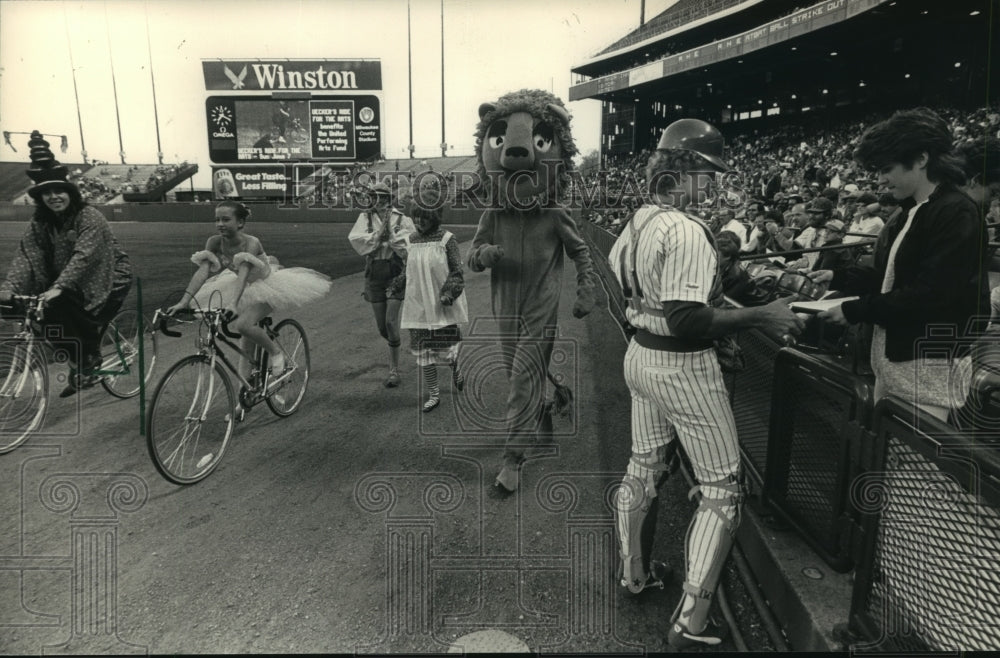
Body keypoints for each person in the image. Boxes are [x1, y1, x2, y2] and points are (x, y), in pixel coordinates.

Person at [608, 118, 804, 650]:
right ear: (685, 169)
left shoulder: (638, 220)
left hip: (640, 356)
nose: (712, 185)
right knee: (721, 488)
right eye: (707, 174)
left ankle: (634, 574)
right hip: (681, 364)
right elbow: (687, 320)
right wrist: (763, 315)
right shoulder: (686, 228)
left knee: (643, 466)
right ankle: (691, 624)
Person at [809, 108, 989, 421]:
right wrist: (838, 276)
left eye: (886, 168)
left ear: (920, 159)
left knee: (914, 469)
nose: (879, 179)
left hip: (927, 373)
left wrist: (855, 310)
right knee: (890, 461)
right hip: (896, 366)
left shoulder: (956, 211)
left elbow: (931, 293)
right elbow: (890, 276)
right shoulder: (911, 211)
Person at [0, 131, 132, 397]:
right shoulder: (40, 224)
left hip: (106, 275)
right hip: (69, 281)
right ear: (40, 198)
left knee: (59, 304)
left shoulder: (89, 216)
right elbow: (28, 256)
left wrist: (59, 286)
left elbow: (85, 255)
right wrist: (9, 287)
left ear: (70, 192)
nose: (54, 197)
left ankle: (88, 358)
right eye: (46, 193)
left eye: (59, 190)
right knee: (36, 311)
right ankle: (79, 363)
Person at [166, 200, 331, 385]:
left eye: (226, 219)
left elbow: (244, 273)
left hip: (267, 286)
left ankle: (276, 353)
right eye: (217, 219)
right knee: (245, 345)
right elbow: (202, 272)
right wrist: (184, 301)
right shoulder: (213, 242)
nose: (220, 224)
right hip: (240, 286)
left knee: (243, 325)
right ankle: (244, 398)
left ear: (240, 223)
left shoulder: (251, 243)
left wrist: (233, 304)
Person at [394, 181, 467, 412]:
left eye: (423, 217)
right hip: (418, 306)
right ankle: (434, 394)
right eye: (415, 217)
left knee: (447, 352)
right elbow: (409, 271)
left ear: (435, 216)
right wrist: (397, 285)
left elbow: (457, 272)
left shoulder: (448, 240)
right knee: (424, 353)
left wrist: (448, 293)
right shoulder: (411, 241)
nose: (418, 222)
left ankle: (456, 368)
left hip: (441, 305)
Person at [348, 182, 416, 387]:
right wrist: (378, 237)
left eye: (382, 197)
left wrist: (390, 238)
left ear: (389, 199)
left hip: (395, 272)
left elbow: (408, 246)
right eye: (375, 197)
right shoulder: (364, 218)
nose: (378, 201)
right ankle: (395, 344)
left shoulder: (403, 219)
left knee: (389, 322)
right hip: (375, 273)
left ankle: (394, 370)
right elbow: (357, 241)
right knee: (382, 328)